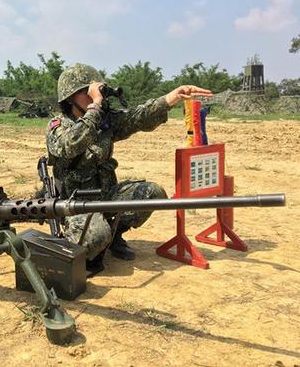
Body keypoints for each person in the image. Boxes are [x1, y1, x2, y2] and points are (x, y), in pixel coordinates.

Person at [46, 63, 212, 274]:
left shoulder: (104, 121)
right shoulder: (58, 126)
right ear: (70, 98)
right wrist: (95, 106)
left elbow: (137, 117)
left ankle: (114, 234)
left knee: (152, 194)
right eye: (86, 92)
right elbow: (70, 145)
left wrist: (171, 98)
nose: (93, 95)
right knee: (95, 238)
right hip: (76, 204)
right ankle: (93, 235)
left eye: (95, 90)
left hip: (106, 197)